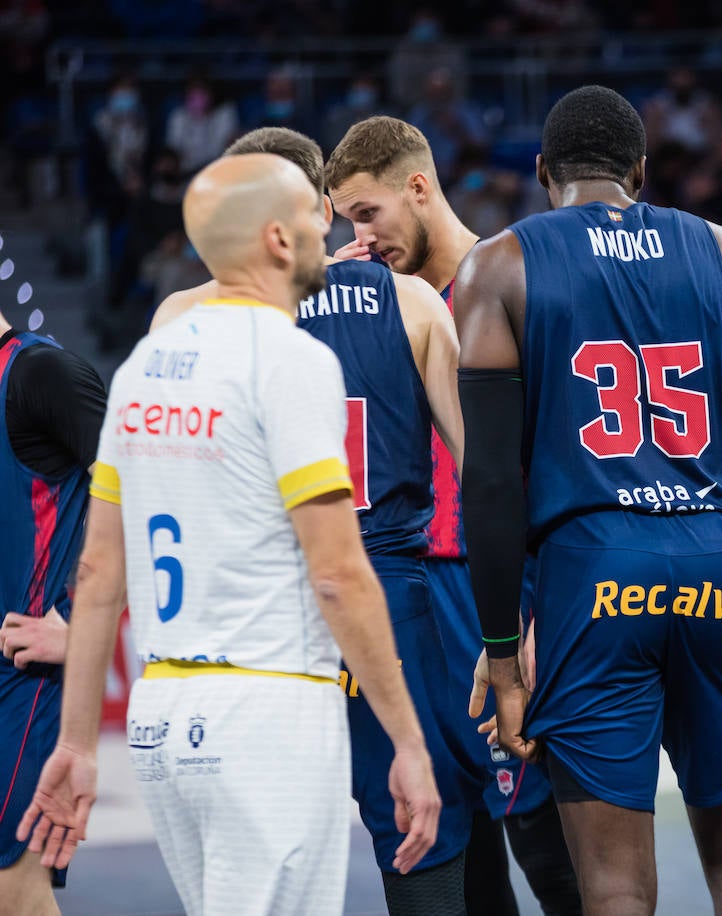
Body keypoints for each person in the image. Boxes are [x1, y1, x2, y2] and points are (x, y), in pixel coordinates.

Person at [19, 153, 441, 915]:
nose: (329, 231)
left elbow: (99, 574)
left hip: (161, 719)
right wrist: (408, 742)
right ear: (279, 239)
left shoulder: (145, 365)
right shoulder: (290, 361)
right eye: (315, 218)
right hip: (266, 714)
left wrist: (78, 744)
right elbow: (339, 574)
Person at [456, 84, 722, 915]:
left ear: (542, 173)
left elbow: (493, 483)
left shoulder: (498, 264)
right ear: (641, 172)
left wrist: (505, 656)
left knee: (612, 885)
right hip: (716, 555)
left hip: (595, 570)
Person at [148, 127, 481, 914]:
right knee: (417, 814)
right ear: (321, 210)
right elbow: (486, 479)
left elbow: (161, 499)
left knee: (252, 839)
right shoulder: (407, 300)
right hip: (385, 594)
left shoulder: (181, 318)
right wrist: (516, 623)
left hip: (244, 609)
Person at [326, 115, 582, 915]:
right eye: (344, 221)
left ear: (418, 186)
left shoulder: (508, 279)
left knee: (543, 826)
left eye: (368, 214)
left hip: (498, 588)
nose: (359, 235)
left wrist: (537, 609)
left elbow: (555, 457)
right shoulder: (366, 304)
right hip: (410, 594)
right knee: (448, 836)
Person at [0, 312, 106, 916]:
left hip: (23, 685)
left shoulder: (43, 374)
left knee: (15, 896)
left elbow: (155, 502)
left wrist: (89, 632)